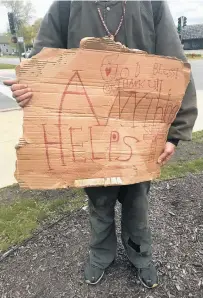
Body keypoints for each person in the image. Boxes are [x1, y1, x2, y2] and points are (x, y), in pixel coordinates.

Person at [4, 0, 197, 289]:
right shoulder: (66, 6)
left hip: (139, 137)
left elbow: (176, 67)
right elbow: (40, 65)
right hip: (87, 138)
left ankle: (141, 256)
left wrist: (176, 133)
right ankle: (100, 255)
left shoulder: (152, 4)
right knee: (98, 201)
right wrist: (28, 86)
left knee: (137, 202)